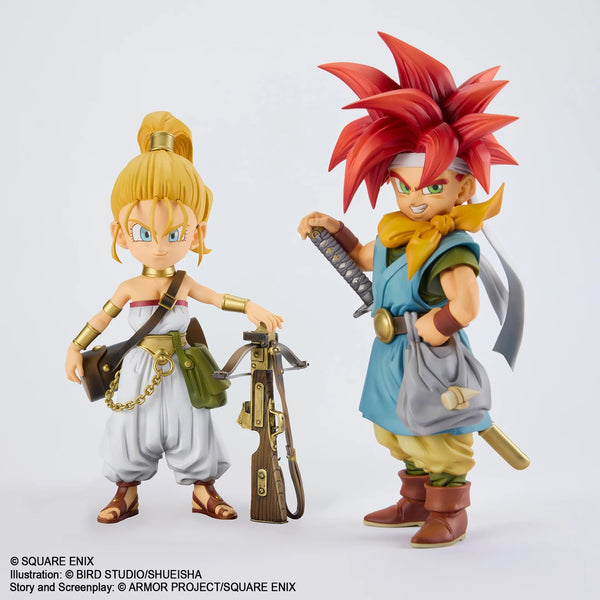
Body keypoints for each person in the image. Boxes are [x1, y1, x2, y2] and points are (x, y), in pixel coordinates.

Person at [298, 33, 518, 548]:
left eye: (433, 186)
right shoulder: (396, 231)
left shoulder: (452, 246)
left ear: (463, 187)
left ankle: (449, 510)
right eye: (404, 184)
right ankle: (415, 500)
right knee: (395, 427)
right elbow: (363, 258)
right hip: (391, 350)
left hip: (430, 353)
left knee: (438, 430)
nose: (416, 197)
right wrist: (333, 229)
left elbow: (466, 306)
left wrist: (434, 328)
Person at [66, 111, 282, 524]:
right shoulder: (130, 286)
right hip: (137, 368)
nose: (160, 246)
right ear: (120, 234)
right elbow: (102, 318)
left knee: (194, 425)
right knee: (129, 427)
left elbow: (215, 298)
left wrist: (250, 306)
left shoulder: (184, 283)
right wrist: (76, 346)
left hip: (183, 367)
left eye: (175, 234)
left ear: (196, 234)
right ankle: (125, 492)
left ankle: (204, 490)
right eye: (144, 233)